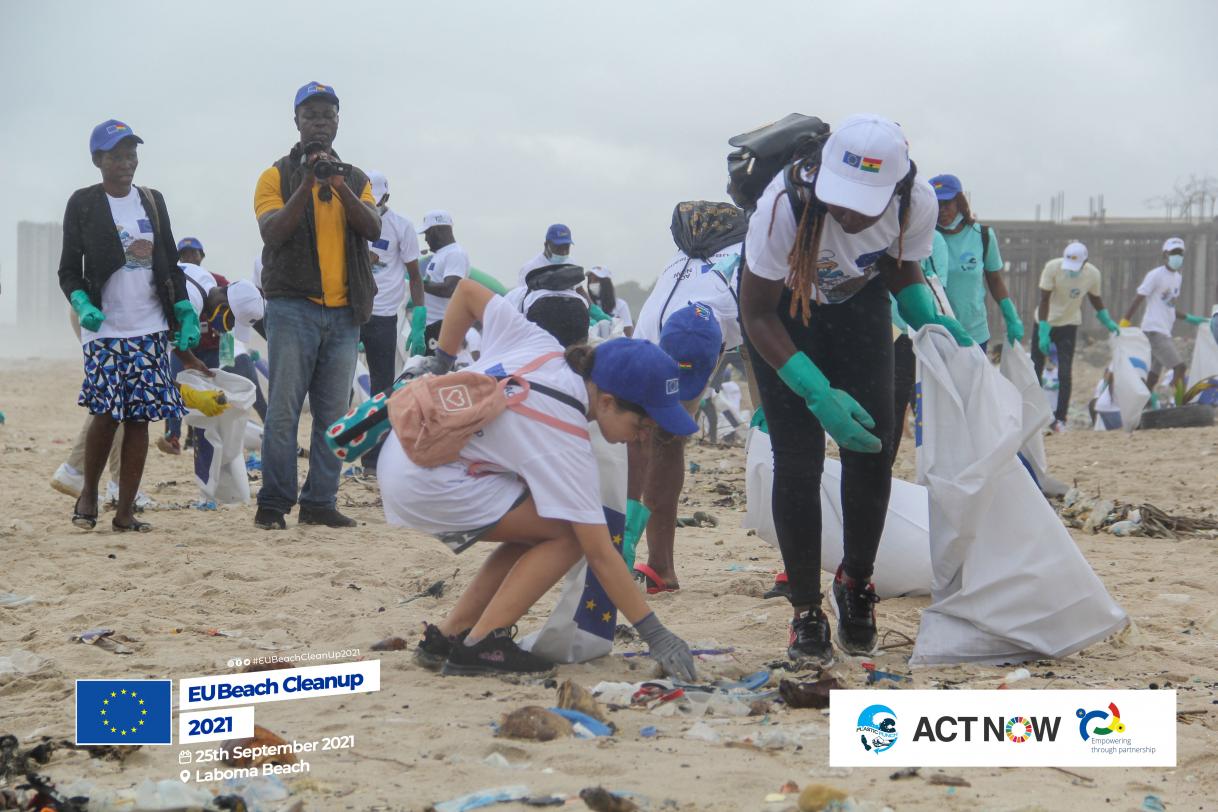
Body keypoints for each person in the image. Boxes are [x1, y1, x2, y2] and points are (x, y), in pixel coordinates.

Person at [739, 114, 972, 663]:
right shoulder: (784, 205)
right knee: (797, 463)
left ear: (894, 189)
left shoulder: (916, 203)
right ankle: (804, 612)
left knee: (871, 449)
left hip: (857, 309)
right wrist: (815, 392)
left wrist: (932, 322)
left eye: (862, 202)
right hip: (781, 319)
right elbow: (755, 312)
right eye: (838, 197)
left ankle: (856, 584)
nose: (845, 211)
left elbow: (902, 274)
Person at [379, 279, 698, 679]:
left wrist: (441, 363)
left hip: (409, 442)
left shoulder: (540, 345)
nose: (644, 436)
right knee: (567, 535)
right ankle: (481, 646)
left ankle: (449, 636)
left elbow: (466, 293)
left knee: (538, 526)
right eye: (643, 423)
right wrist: (657, 635)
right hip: (428, 479)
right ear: (607, 402)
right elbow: (600, 553)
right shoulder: (566, 438)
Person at [57, 119, 203, 532]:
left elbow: (169, 265)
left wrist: (183, 312)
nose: (126, 162)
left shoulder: (152, 202)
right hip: (104, 328)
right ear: (97, 160)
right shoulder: (84, 203)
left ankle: (124, 511)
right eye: (116, 155)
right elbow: (68, 269)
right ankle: (88, 493)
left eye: (131, 154)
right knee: (106, 413)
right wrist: (82, 301)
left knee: (140, 418)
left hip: (149, 326)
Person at [253, 81, 381, 530]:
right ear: (296, 122)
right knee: (284, 410)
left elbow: (370, 227)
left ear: (338, 121)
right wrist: (308, 181)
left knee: (333, 415)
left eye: (328, 115)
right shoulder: (275, 176)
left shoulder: (358, 179)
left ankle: (320, 503)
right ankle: (273, 503)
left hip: (345, 314)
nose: (320, 123)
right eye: (311, 115)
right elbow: (273, 231)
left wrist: (339, 185)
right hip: (293, 308)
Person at [626, 202, 745, 591]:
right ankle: (636, 551)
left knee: (666, 437)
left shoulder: (742, 299)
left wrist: (762, 412)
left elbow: (758, 354)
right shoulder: (645, 336)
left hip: (712, 325)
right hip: (661, 337)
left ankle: (660, 564)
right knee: (639, 436)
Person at [362, 170, 422, 472]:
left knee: (381, 387)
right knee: (337, 387)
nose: (373, 204)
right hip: (351, 312)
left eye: (377, 199)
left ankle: (374, 460)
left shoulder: (401, 227)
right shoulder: (353, 220)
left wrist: (419, 315)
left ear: (386, 196)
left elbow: (414, 274)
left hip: (384, 315)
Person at [1032, 241, 1120, 431]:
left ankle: (1060, 419)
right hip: (1044, 321)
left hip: (1069, 324)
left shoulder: (1092, 274)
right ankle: (1034, 415)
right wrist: (1043, 331)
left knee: (1065, 373)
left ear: (1084, 262)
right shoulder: (1053, 268)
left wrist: (1107, 320)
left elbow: (1095, 299)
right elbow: (1044, 299)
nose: (1071, 270)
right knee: (1035, 369)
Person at [929, 174, 1022, 352]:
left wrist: (1011, 316)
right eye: (936, 205)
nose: (942, 211)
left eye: (947, 204)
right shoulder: (925, 239)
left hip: (975, 333)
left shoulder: (983, 236)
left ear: (959, 202)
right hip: (936, 332)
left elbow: (994, 279)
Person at [1121, 237, 1211, 406]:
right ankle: (1180, 405)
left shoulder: (1177, 277)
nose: (1177, 256)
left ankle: (1141, 407)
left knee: (1153, 376)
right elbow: (1138, 298)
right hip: (1153, 330)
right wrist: (1125, 321)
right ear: (1165, 254)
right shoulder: (1155, 275)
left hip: (1164, 331)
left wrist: (1190, 318)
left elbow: (1168, 307)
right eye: (1173, 253)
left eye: (1180, 253)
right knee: (1180, 367)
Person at [159, 237, 228, 455]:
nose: (189, 256)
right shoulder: (174, 283)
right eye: (184, 253)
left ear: (202, 256)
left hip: (211, 348)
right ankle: (173, 435)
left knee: (206, 392)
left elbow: (232, 317)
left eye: (193, 253)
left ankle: (197, 437)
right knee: (175, 385)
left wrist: (228, 353)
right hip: (183, 346)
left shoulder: (216, 282)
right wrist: (187, 357)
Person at [890, 229, 950, 459]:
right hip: (891, 333)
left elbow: (936, 286)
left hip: (922, 333)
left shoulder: (935, 240)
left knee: (924, 404)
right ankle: (886, 467)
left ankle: (931, 466)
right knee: (892, 405)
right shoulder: (885, 233)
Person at [417, 210, 470, 355]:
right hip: (431, 325)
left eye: (427, 233)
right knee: (426, 373)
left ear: (438, 231)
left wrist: (418, 283)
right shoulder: (441, 254)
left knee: (435, 373)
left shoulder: (455, 254)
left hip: (441, 326)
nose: (426, 239)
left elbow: (450, 288)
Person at [585, 265, 634, 337]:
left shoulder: (620, 304)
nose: (592, 284)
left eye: (596, 280)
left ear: (606, 282)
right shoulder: (586, 305)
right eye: (590, 281)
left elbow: (628, 331)